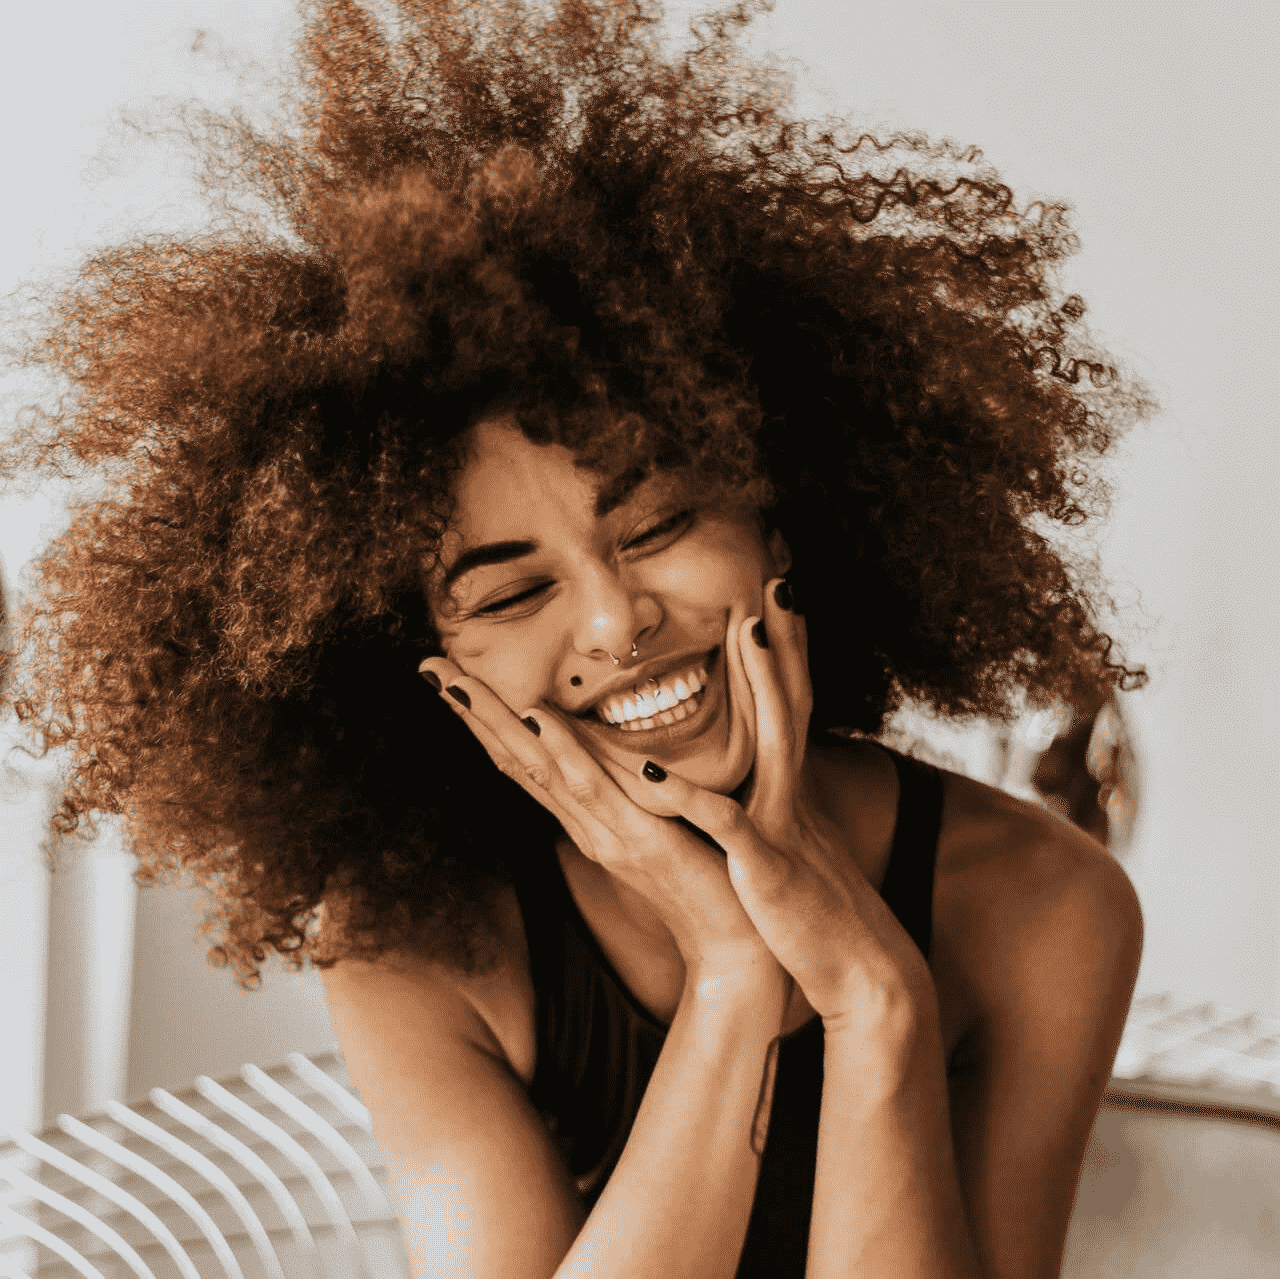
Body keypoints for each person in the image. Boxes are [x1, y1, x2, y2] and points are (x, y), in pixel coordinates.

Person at [0, 2, 1152, 1275]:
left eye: (655, 523)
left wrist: (875, 999)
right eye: (507, 595)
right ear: (442, 678)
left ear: (776, 522)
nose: (615, 623)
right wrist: (731, 973)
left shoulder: (1046, 906)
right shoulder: (420, 942)